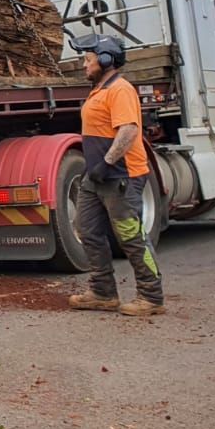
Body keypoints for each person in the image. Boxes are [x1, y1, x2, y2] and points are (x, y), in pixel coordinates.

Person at [66, 34, 164, 316]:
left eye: (88, 59)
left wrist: (106, 162)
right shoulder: (100, 89)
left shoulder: (120, 89)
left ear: (106, 59)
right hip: (96, 177)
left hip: (120, 176)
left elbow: (129, 130)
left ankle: (151, 296)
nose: (84, 65)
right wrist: (94, 169)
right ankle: (102, 292)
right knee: (88, 230)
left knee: (130, 236)